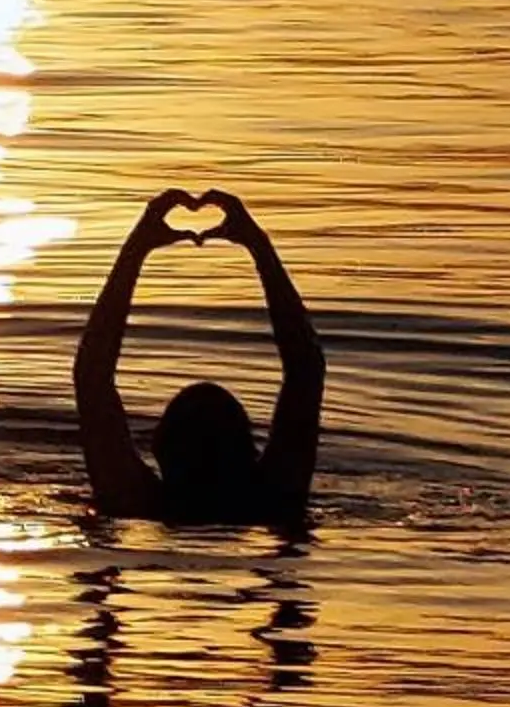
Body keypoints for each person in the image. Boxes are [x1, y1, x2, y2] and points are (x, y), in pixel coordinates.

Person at [73, 188, 323, 528]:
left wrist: (135, 250)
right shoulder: (274, 500)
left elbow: (92, 376)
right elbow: (306, 370)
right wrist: (258, 246)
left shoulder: (136, 501)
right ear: (250, 452)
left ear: (159, 448)